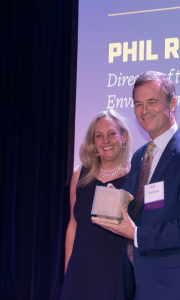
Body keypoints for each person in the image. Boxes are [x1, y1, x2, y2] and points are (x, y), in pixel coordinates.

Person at [93, 71, 180, 299]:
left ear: (172, 103)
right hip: (143, 280)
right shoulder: (140, 156)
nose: (143, 110)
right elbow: (147, 210)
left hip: (178, 285)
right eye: (138, 104)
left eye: (152, 102)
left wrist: (137, 233)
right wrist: (117, 204)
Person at [61, 109, 133, 300]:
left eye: (111, 134)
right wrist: (68, 270)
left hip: (115, 271)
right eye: (99, 136)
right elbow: (73, 225)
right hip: (80, 270)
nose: (105, 141)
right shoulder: (80, 175)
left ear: (124, 136)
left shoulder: (135, 177)